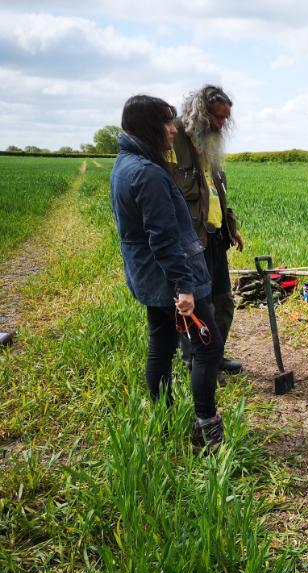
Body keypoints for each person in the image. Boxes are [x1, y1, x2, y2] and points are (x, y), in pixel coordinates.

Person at [110, 95, 225, 452]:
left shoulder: (125, 164)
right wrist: (184, 288)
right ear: (149, 126)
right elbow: (163, 238)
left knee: (161, 343)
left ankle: (164, 416)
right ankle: (207, 426)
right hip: (169, 279)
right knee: (209, 347)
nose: (173, 129)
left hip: (147, 276)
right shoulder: (148, 173)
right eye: (167, 122)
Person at [167, 85, 244, 380]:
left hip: (214, 236)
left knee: (223, 300)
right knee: (198, 305)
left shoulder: (210, 144)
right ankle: (197, 364)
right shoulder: (174, 140)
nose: (222, 124)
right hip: (189, 240)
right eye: (218, 118)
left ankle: (216, 354)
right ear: (201, 113)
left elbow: (216, 192)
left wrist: (230, 227)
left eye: (226, 119)